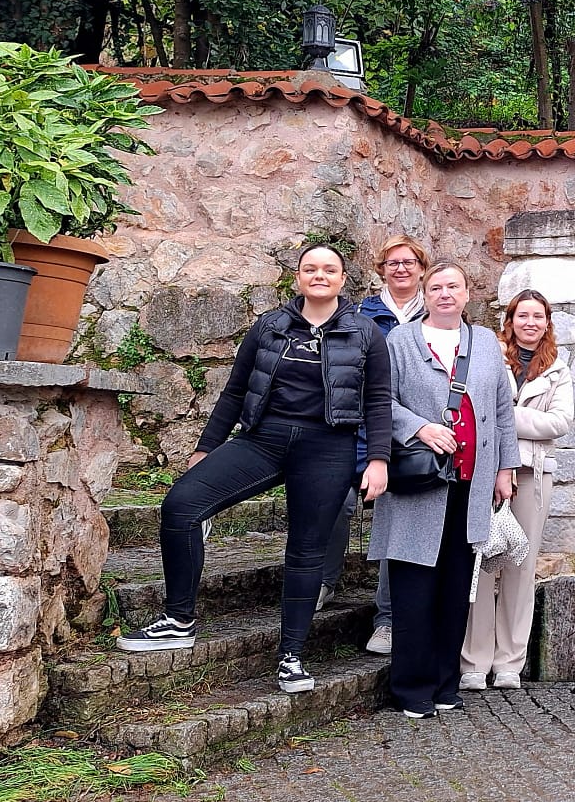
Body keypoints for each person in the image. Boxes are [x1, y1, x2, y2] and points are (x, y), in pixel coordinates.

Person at [118, 244, 391, 699]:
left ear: (343, 280)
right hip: (263, 439)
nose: (319, 275)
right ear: (297, 278)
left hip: (327, 448)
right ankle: (179, 619)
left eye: (329, 270)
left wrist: (378, 459)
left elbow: (378, 400)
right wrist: (206, 447)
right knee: (181, 505)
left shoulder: (365, 333)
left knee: (306, 550)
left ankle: (291, 655)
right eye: (310, 269)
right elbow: (235, 390)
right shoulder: (270, 324)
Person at [364, 262, 518, 718]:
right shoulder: (400, 341)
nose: (445, 294)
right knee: (414, 588)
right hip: (420, 482)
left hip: (471, 484)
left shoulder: (485, 342)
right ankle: (411, 688)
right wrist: (420, 427)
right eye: (436, 287)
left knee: (455, 588)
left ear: (467, 294)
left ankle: (446, 683)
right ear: (425, 295)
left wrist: (505, 468)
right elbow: (379, 400)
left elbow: (502, 410)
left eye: (454, 286)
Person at [459, 288, 574, 692]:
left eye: (538, 317)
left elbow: (560, 422)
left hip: (532, 474)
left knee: (520, 569)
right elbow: (476, 408)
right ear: (510, 320)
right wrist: (512, 419)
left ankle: (509, 662)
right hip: (484, 471)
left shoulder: (557, 368)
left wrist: (506, 415)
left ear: (547, 323)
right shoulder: (489, 356)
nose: (530, 323)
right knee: (481, 564)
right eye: (523, 315)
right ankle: (474, 661)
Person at [326, 235, 430, 654]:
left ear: (421, 269)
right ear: (382, 270)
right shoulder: (358, 315)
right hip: (359, 426)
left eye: (408, 262)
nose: (401, 269)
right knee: (335, 502)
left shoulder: (436, 316)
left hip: (410, 432)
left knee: (395, 523)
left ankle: (387, 619)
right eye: (392, 263)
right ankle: (323, 582)